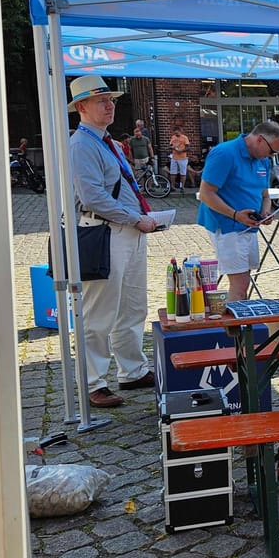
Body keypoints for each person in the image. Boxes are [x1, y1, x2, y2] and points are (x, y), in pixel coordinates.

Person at [66, 74, 158, 408]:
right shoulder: (81, 145)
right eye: (102, 101)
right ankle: (93, 382)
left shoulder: (105, 141)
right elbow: (93, 198)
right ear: (82, 107)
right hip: (105, 233)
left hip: (128, 232)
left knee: (132, 307)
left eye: (112, 100)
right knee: (99, 313)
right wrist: (135, 218)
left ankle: (132, 370)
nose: (110, 106)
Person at [196, 122, 279, 301]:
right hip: (227, 225)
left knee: (244, 283)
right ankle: (235, 326)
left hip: (248, 226)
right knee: (240, 284)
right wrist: (235, 214)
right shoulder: (225, 153)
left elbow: (265, 195)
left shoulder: (263, 161)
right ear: (260, 140)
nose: (271, 156)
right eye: (271, 151)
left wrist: (265, 212)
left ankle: (240, 323)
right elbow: (206, 194)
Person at [168, 128, 190, 192]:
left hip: (182, 157)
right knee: (173, 172)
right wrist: (172, 147)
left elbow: (188, 147)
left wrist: (182, 150)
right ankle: (172, 186)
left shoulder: (184, 138)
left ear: (181, 132)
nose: (176, 133)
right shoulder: (173, 137)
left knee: (183, 173)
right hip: (174, 157)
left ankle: (182, 187)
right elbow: (170, 145)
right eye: (175, 132)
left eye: (178, 132)